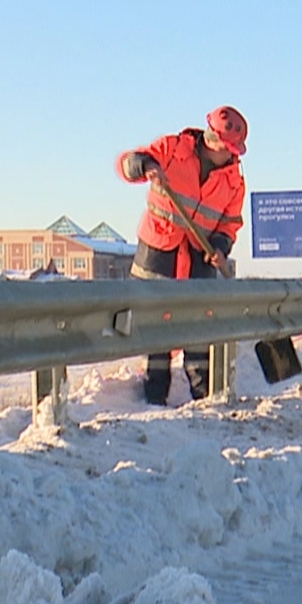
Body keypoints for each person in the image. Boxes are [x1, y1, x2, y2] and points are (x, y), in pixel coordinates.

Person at [116, 105, 248, 404]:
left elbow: (230, 223)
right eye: (230, 149)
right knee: (157, 332)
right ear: (212, 141)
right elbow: (125, 163)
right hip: (158, 256)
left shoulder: (234, 180)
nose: (234, 156)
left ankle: (203, 401)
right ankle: (154, 401)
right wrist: (145, 166)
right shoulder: (172, 148)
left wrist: (220, 247)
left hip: (198, 260)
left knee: (198, 330)